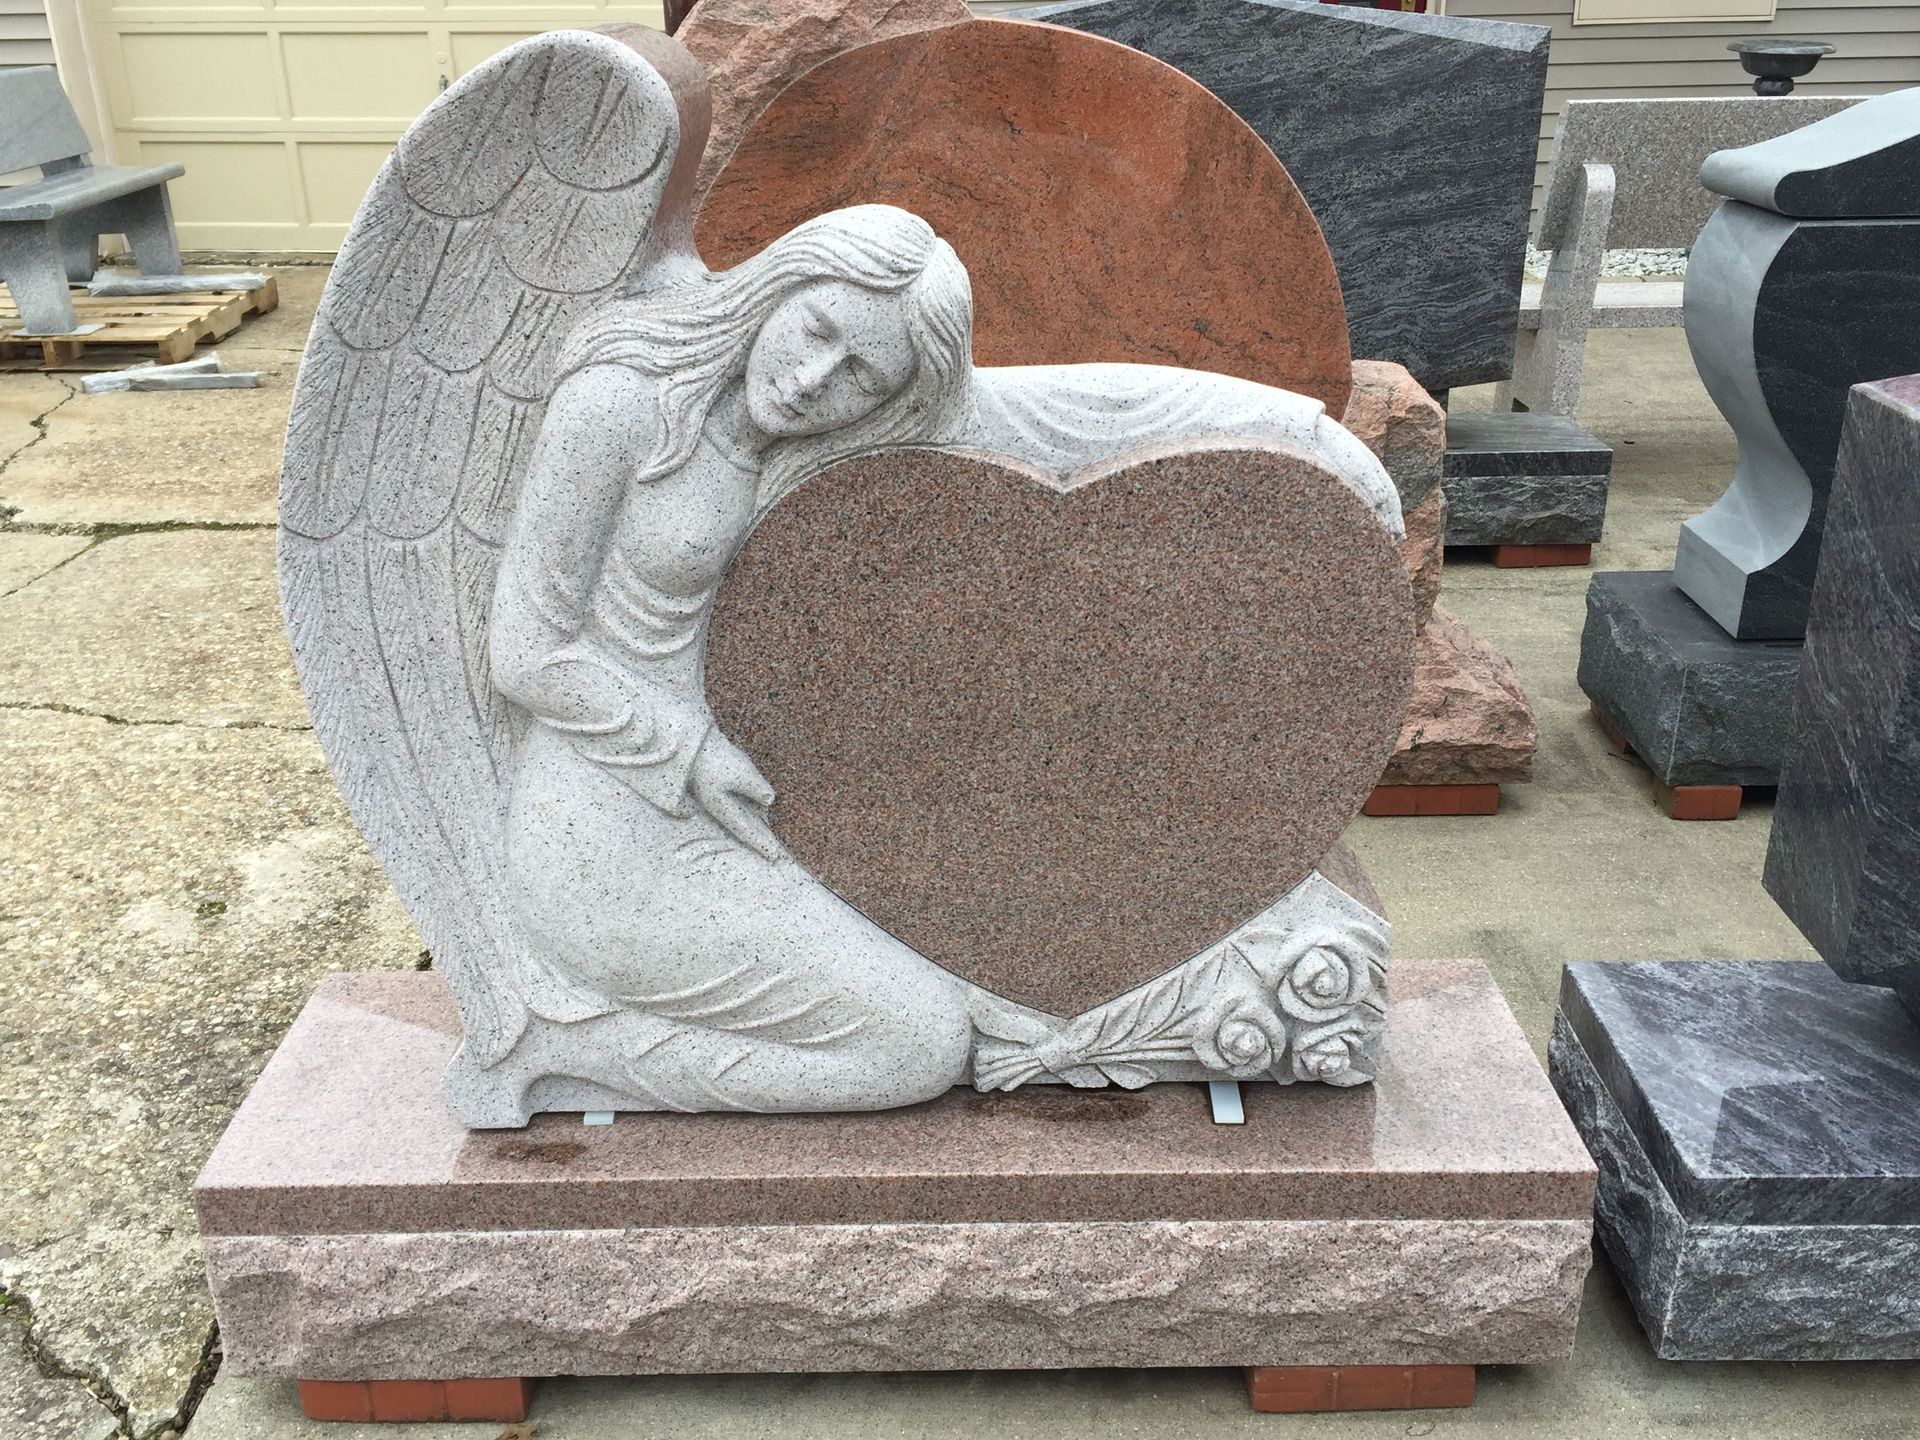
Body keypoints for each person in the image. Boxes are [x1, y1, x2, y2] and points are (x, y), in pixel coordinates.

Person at [486, 205, 981, 1112]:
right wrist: (689, 753)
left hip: (745, 813)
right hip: (609, 832)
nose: (812, 380)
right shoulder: (622, 405)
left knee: (980, 959)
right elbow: (524, 652)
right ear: (780, 286)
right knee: (919, 1045)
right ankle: (570, 1052)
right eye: (817, 329)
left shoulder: (811, 458)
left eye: (860, 376)